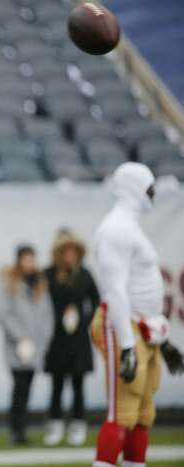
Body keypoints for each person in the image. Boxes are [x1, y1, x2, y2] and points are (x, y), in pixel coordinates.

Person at [91, 162, 184, 467]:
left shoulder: (128, 227)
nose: (153, 194)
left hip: (143, 328)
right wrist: (128, 345)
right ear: (134, 187)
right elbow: (116, 291)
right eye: (150, 187)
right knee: (123, 411)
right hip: (125, 325)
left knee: (143, 414)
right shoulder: (116, 229)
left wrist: (162, 341)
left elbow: (139, 293)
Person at [43, 229, 100, 446]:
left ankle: (78, 425)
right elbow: (40, 304)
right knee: (57, 384)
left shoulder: (84, 274)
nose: (69, 254)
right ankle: (55, 425)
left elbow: (96, 301)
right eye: (64, 250)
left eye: (72, 250)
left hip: (78, 340)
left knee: (78, 384)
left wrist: (84, 319)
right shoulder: (48, 274)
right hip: (56, 338)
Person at [0, 244, 54, 446]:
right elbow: (3, 314)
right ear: (19, 260)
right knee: (19, 389)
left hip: (36, 347)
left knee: (27, 388)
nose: (30, 263)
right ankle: (16, 430)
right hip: (17, 348)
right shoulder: (10, 284)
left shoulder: (39, 284)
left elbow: (47, 314)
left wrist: (43, 340)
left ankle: (22, 430)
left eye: (32, 258)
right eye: (26, 258)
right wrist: (21, 338)